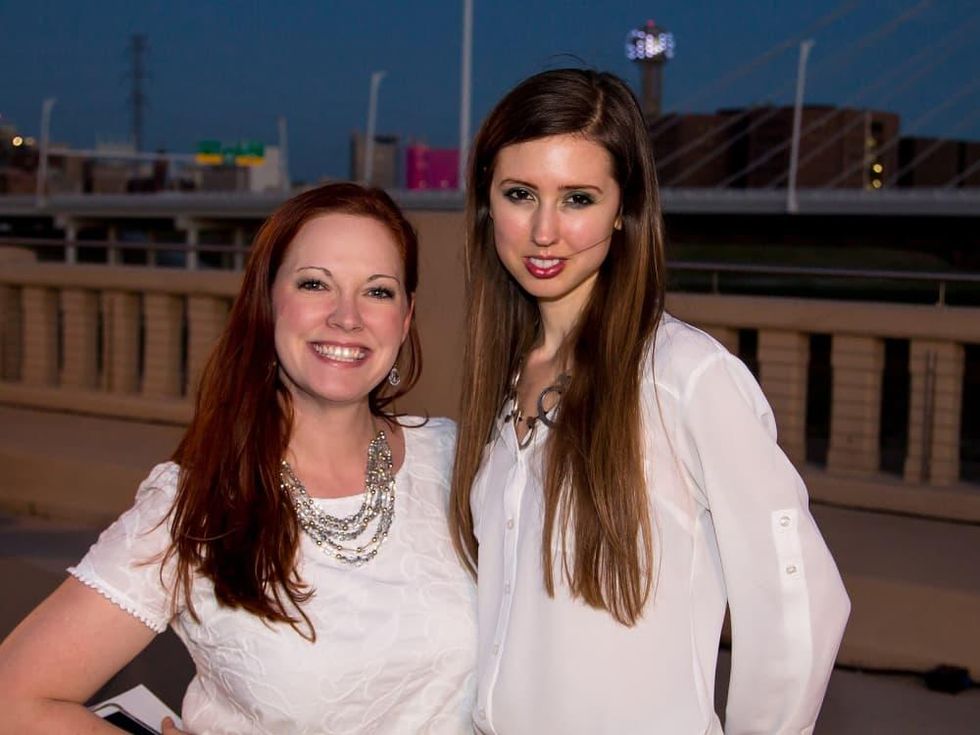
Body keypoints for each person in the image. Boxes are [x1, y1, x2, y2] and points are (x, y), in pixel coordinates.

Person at [449, 68, 850, 734]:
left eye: (578, 197)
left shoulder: (685, 378)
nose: (544, 230)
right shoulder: (504, 381)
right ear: (489, 202)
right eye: (520, 194)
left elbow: (799, 601)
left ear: (624, 211)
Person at [0, 183, 477, 734]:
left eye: (377, 291)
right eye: (315, 283)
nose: (347, 317)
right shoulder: (195, 506)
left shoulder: (456, 461)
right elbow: (18, 697)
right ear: (267, 301)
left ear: (406, 315)